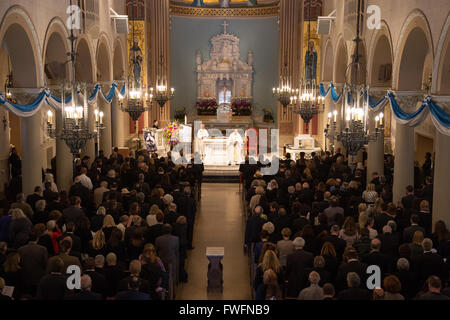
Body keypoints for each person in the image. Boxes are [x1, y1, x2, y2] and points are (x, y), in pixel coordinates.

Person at [17, 232, 48, 296]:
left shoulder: (21, 249)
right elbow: (45, 264)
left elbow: (18, 263)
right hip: (38, 278)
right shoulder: (43, 249)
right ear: (37, 239)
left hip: (24, 277)